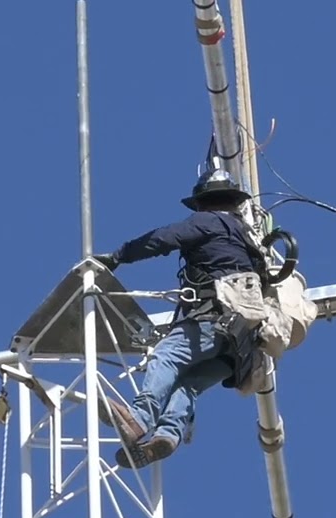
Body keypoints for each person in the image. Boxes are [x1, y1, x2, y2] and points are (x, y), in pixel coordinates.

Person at [92, 168, 266, 468]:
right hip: (242, 346)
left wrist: (118, 256)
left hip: (213, 321)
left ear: (202, 203)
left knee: (166, 358)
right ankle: (169, 434)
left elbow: (162, 239)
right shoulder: (246, 240)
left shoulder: (208, 221)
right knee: (187, 385)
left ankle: (139, 419)